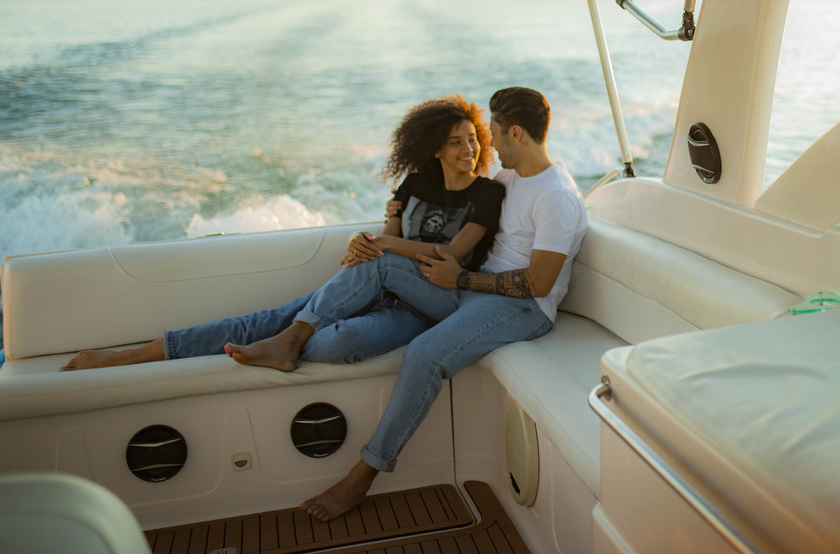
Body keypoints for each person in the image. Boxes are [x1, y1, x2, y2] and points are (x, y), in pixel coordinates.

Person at [298, 86, 587, 521]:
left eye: (493, 132)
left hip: (522, 307)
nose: (488, 143)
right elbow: (457, 197)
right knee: (381, 260)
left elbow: (539, 283)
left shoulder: (556, 196)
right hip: (473, 290)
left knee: (424, 353)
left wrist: (462, 278)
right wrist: (396, 209)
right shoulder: (509, 179)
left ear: (516, 134)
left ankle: (363, 475)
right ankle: (292, 331)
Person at [59, 94, 505, 371]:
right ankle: (125, 357)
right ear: (435, 148)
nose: (468, 149)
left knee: (337, 335)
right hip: (375, 288)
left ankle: (287, 341)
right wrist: (367, 241)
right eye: (456, 142)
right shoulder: (415, 184)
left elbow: (451, 253)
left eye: (472, 139)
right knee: (261, 322)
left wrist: (385, 244)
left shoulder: (486, 193)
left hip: (428, 304)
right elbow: (387, 233)